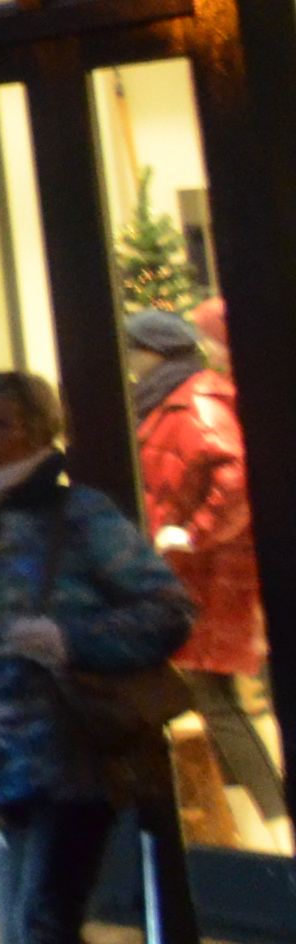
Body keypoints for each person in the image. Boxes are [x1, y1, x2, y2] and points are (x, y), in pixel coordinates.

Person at [0, 367, 191, 944]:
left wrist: (69, 639)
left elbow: (169, 610)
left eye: (2, 423)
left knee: (44, 923)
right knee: (21, 928)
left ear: (40, 432)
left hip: (72, 752)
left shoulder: (80, 515)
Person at [129, 306, 282, 844]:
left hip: (209, 573)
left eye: (133, 351)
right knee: (210, 698)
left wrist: (193, 532)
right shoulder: (171, 400)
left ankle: (277, 828)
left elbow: (235, 476)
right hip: (190, 573)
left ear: (151, 352)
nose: (129, 364)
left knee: (215, 701)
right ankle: (255, 827)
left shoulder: (191, 399)